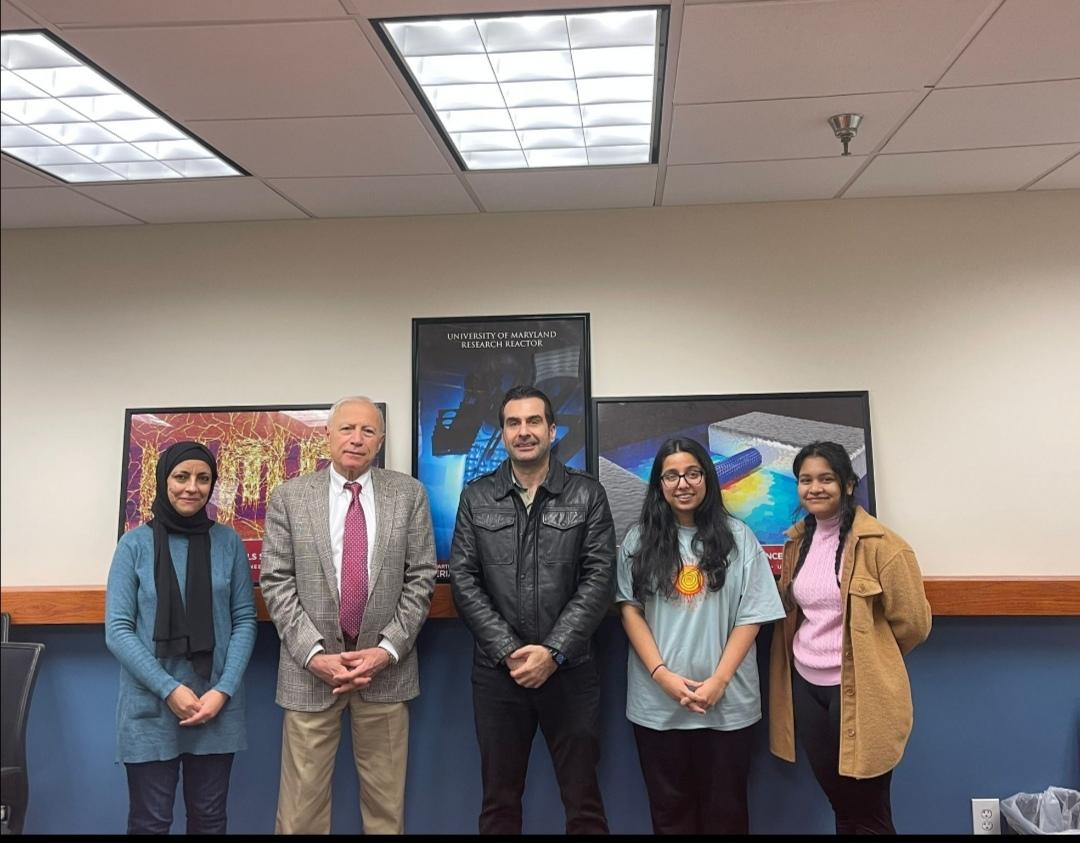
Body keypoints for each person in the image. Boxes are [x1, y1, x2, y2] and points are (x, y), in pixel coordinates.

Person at [260, 396, 436, 835]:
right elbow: (276, 581)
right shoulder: (289, 498)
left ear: (380, 441)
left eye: (367, 431)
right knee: (300, 813)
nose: (356, 439)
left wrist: (386, 651)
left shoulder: (408, 495)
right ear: (328, 436)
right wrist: (314, 654)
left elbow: (421, 580)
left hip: (385, 675)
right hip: (310, 674)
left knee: (385, 813)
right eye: (346, 429)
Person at [449, 385, 616, 834]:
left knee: (584, 803)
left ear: (552, 429)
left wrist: (553, 652)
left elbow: (599, 579)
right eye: (513, 423)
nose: (524, 432)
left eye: (533, 421)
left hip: (571, 672)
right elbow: (463, 580)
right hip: (498, 675)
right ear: (502, 433)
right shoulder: (476, 497)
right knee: (499, 805)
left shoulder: (587, 495)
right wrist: (509, 651)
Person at [616, 437, 784, 834]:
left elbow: (752, 616)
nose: (683, 483)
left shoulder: (739, 538)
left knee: (727, 817)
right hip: (658, 706)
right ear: (659, 484)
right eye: (671, 475)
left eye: (692, 473)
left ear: (708, 478)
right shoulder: (637, 541)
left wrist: (719, 681)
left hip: (726, 707)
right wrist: (662, 676)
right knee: (669, 817)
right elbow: (630, 609)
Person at [769, 441, 932, 834]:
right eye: (805, 480)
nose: (815, 488)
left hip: (858, 691)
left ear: (847, 484)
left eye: (826, 478)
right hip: (807, 686)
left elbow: (913, 624)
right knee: (841, 802)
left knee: (868, 810)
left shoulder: (884, 547)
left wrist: (871, 655)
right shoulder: (797, 543)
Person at [105, 441, 257, 834]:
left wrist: (222, 691)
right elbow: (118, 631)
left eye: (203, 479)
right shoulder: (133, 545)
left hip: (214, 706)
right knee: (150, 823)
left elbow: (244, 621)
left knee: (209, 822)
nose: (192, 487)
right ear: (163, 480)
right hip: (150, 708)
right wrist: (169, 689)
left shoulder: (228, 543)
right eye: (181, 476)